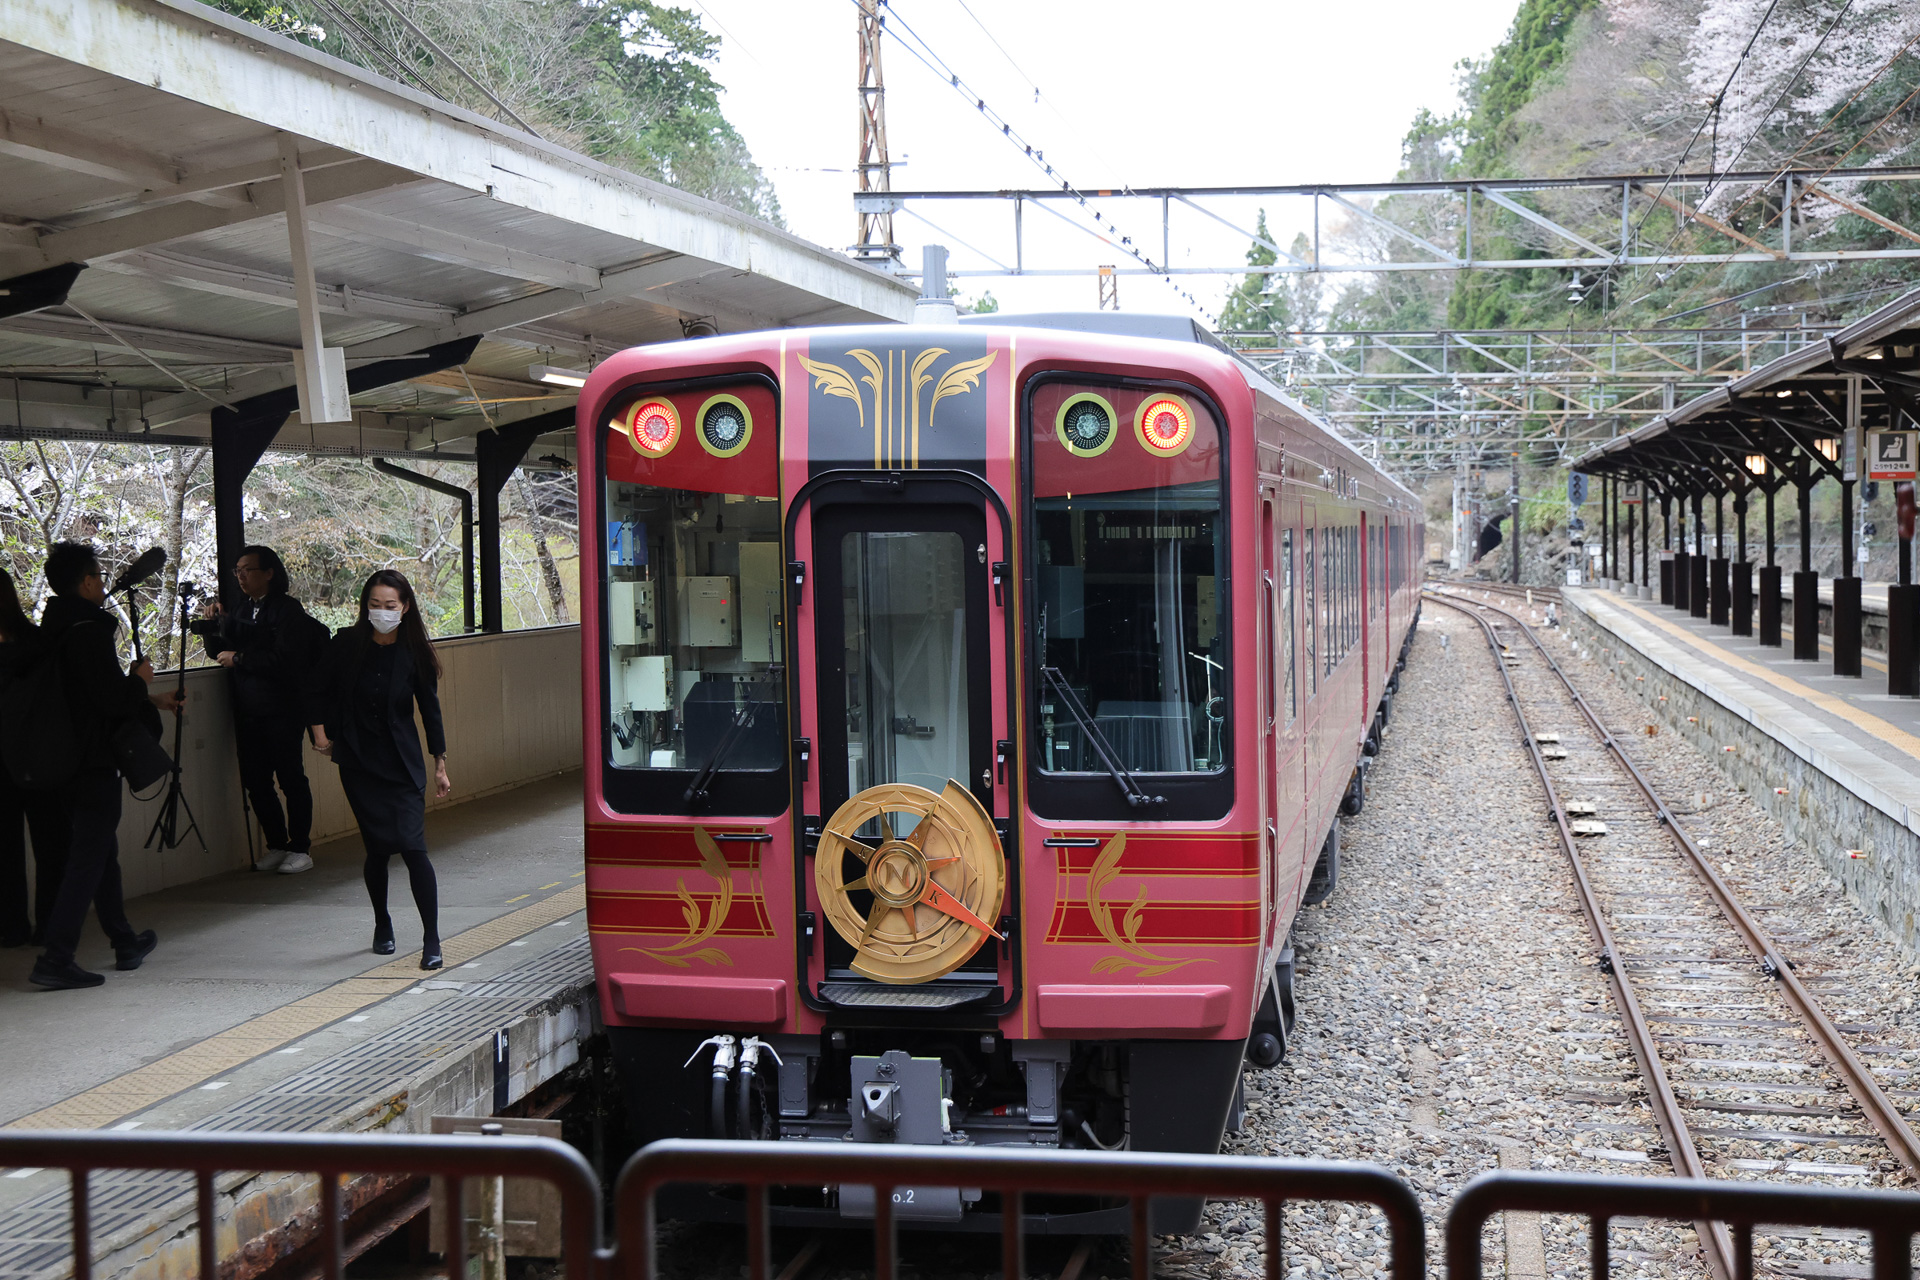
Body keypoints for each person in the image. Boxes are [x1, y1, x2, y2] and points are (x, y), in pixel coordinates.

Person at [31, 542, 180, 990]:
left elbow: (82, 695)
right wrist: (139, 681)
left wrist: (147, 697)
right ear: (88, 582)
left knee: (101, 854)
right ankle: (56, 957)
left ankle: (124, 941)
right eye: (97, 574)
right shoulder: (88, 630)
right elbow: (110, 699)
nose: (101, 581)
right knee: (87, 859)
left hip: (57, 759)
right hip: (92, 761)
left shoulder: (51, 628)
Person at [311, 569, 450, 970]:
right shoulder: (348, 644)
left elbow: (430, 711)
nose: (382, 612)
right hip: (358, 762)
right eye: (374, 605)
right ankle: (382, 923)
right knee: (377, 849)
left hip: (403, 764)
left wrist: (439, 763)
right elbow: (316, 687)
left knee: (412, 846)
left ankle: (432, 938)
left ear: (404, 607)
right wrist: (320, 734)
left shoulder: (415, 651)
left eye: (390, 606)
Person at [193, 545, 318, 874]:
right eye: (238, 571)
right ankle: (277, 844)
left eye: (247, 569)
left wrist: (241, 659)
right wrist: (214, 628)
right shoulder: (240, 609)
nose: (241, 576)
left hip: (283, 707)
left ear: (269, 573)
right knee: (256, 779)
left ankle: (300, 847)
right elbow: (222, 652)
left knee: (291, 778)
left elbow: (286, 660)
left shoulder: (288, 610)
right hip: (247, 707)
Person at [0, 567, 69, 948]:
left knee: (8, 849)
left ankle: (13, 927)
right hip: (38, 754)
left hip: (12, 757)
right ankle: (49, 925)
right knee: (50, 845)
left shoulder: (32, 646)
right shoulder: (38, 643)